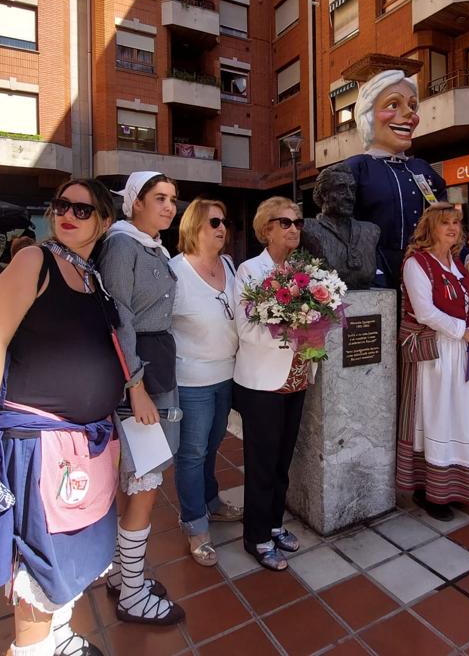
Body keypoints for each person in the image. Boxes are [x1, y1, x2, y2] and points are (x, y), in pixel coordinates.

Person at [0, 178, 128, 656]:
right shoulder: (36, 260)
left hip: (86, 441)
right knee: (42, 555)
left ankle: (60, 638)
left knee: (76, 548)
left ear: (105, 222)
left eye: (82, 209)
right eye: (61, 205)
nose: (67, 214)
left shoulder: (91, 276)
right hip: (40, 439)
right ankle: (31, 649)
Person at [97, 171, 185, 624]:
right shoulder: (121, 245)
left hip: (155, 365)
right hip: (140, 374)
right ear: (134, 202)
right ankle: (132, 592)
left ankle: (122, 576)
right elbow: (119, 318)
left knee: (144, 475)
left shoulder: (149, 245)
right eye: (160, 199)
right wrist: (136, 385)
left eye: (173, 200)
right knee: (146, 480)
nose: (169, 207)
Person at [396, 204, 469, 522]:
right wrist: (466, 332)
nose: (452, 228)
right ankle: (430, 491)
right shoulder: (416, 262)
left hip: (459, 348)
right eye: (444, 223)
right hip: (434, 352)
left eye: (456, 223)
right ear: (430, 228)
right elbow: (425, 313)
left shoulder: (456, 262)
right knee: (436, 417)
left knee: (459, 417)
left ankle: (456, 487)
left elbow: (466, 303)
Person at [233, 197, 311, 571]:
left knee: (282, 461)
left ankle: (275, 524)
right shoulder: (249, 271)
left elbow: (319, 318)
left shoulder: (302, 268)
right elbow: (245, 329)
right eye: (285, 222)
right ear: (266, 229)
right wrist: (290, 329)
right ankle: (257, 537)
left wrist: (313, 326)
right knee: (262, 464)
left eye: (297, 221)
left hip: (297, 379)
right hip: (262, 382)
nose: (294, 228)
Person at [169, 198, 243, 567]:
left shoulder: (229, 264)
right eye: (213, 221)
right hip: (192, 379)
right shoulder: (175, 271)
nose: (221, 227)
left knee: (213, 445)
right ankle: (195, 523)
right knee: (192, 453)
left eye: (224, 221)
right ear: (194, 226)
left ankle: (210, 501)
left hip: (226, 374)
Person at [344, 70, 447, 287]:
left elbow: (444, 221)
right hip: (372, 272)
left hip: (425, 270)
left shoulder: (423, 169)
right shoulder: (356, 168)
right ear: (367, 113)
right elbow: (342, 229)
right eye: (393, 105)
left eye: (412, 106)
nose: (409, 113)